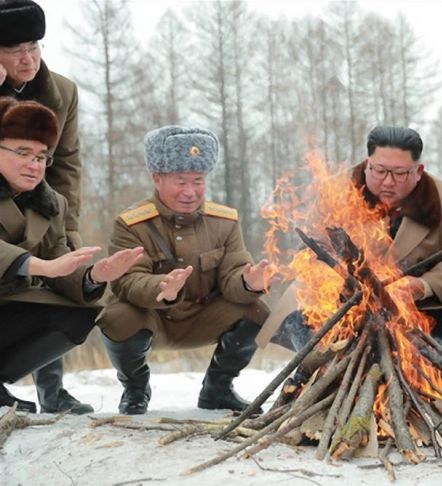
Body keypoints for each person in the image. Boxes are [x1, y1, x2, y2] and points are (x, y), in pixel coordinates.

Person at [97, 125, 272, 415]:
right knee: (116, 316)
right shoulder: (131, 223)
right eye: (180, 182)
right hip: (152, 317)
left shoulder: (224, 221)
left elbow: (232, 275)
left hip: (202, 316)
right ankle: (135, 389)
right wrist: (161, 288)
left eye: (198, 181)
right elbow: (126, 282)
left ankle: (217, 389)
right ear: (157, 179)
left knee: (257, 310)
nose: (191, 192)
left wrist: (248, 282)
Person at [259, 125, 442, 352]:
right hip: (343, 303)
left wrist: (422, 286)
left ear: (418, 171)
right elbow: (312, 249)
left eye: (400, 173)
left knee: (441, 340)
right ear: (366, 163)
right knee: (306, 322)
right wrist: (346, 280)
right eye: (379, 170)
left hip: (419, 308)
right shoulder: (337, 190)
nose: (388, 182)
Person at [0, 97, 142, 412]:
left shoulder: (51, 205)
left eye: (41, 157)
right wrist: (39, 266)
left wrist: (93, 275)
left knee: (81, 309)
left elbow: (59, 257)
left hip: (9, 304)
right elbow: (44, 264)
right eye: (22, 153)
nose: (33, 164)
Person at [0, 0, 89, 414]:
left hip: (42, 206)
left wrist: (66, 225)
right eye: (15, 48)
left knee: (60, 282)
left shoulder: (63, 92)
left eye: (34, 46)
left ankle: (53, 391)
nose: (27, 58)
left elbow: (67, 161)